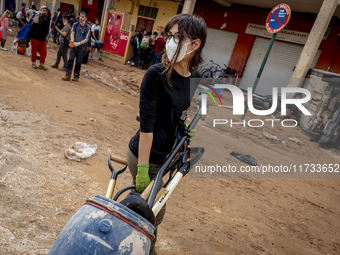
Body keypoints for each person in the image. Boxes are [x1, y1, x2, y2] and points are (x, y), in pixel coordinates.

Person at [126, 14, 207, 255]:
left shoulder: (192, 79)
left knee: (150, 213)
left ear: (195, 44)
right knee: (149, 213)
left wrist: (180, 128)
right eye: (169, 36)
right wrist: (142, 170)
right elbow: (147, 126)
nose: (170, 42)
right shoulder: (156, 74)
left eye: (177, 37)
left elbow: (177, 113)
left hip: (166, 156)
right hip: (145, 156)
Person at [62, 11, 91, 81]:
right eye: (80, 16)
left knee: (78, 62)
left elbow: (87, 39)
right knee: (70, 60)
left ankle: (76, 75)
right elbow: (72, 33)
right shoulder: (75, 24)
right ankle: (68, 74)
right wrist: (72, 41)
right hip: (73, 46)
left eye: (83, 17)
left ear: (86, 18)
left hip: (81, 48)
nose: (81, 18)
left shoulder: (88, 28)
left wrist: (78, 43)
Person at [30, 6, 50, 70]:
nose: (44, 12)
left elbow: (46, 30)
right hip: (35, 37)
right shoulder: (38, 17)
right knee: (34, 52)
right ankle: (33, 63)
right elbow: (35, 22)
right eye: (43, 10)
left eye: (45, 11)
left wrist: (46, 38)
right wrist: (38, 13)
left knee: (44, 52)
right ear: (40, 11)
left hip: (43, 39)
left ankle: (42, 64)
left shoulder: (46, 20)